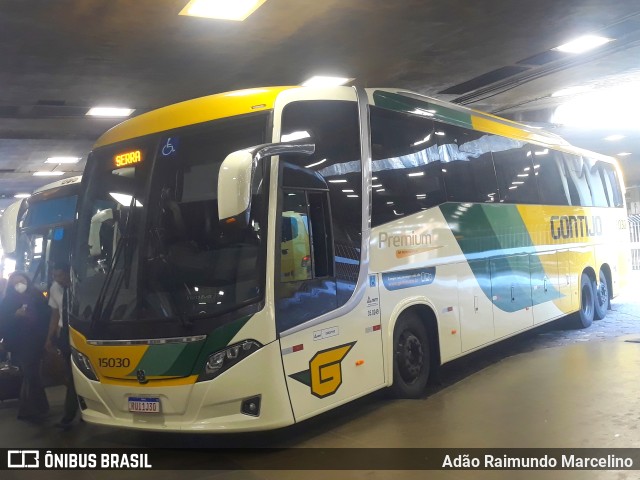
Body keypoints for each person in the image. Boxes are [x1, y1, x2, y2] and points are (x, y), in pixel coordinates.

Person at [0, 272, 50, 420]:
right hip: (20, 342)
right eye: (16, 283)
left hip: (36, 340)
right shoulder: (7, 301)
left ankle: (34, 408)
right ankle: (33, 408)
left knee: (32, 374)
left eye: (21, 281)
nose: (19, 285)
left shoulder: (36, 296)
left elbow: (46, 314)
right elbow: (3, 323)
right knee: (30, 373)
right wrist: (15, 315)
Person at [46, 262, 78, 429]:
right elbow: (55, 313)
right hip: (64, 334)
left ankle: (69, 414)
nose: (56, 279)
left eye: (59, 275)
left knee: (75, 376)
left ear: (68, 274)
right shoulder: (55, 288)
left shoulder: (80, 286)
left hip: (80, 332)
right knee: (71, 374)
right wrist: (50, 337)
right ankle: (73, 411)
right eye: (54, 276)